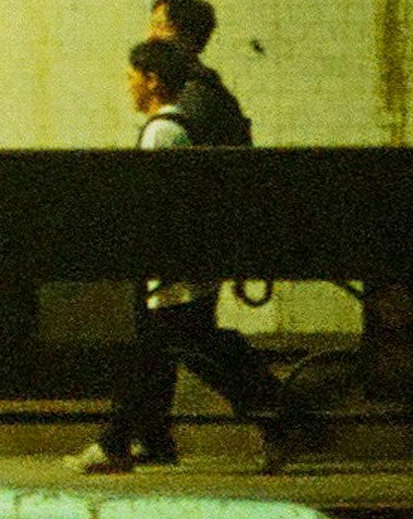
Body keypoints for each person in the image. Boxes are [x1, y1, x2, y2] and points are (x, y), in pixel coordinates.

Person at [73, 36, 315, 475]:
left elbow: (159, 207)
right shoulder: (177, 129)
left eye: (132, 76)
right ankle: (140, 439)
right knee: (176, 351)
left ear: (152, 80)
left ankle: (279, 416)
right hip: (178, 271)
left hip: (173, 274)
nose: (127, 85)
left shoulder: (163, 133)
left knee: (193, 352)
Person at [147, 0, 251, 148]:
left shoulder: (193, 95)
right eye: (152, 25)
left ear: (189, 37)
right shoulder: (208, 88)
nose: (151, 36)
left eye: (161, 26)